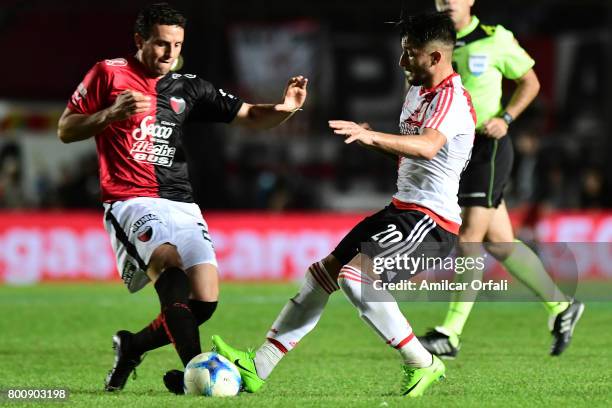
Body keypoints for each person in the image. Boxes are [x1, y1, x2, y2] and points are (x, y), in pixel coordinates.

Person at [212, 12, 475, 397]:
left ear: (436, 58)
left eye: (410, 54)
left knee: (356, 278)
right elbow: (413, 157)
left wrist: (372, 139)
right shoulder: (418, 90)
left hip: (431, 224)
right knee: (323, 274)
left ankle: (423, 361)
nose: (402, 62)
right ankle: (259, 365)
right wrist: (375, 139)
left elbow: (428, 146)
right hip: (402, 210)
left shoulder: (451, 98)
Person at [57, 2, 307, 394]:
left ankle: (132, 347)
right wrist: (109, 113)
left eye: (176, 44)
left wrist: (287, 108)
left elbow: (250, 115)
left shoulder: (188, 86)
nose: (169, 53)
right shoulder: (109, 73)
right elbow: (66, 129)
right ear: (139, 40)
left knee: (204, 301)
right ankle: (196, 371)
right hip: (130, 199)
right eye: (160, 44)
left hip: (181, 201)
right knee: (170, 269)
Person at [418, 0, 584, 359]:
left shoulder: (495, 40)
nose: (446, 3)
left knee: (468, 239)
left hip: (487, 147)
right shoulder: (431, 44)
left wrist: (507, 118)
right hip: (451, 151)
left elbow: (530, 82)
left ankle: (451, 333)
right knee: (501, 243)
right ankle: (562, 307)